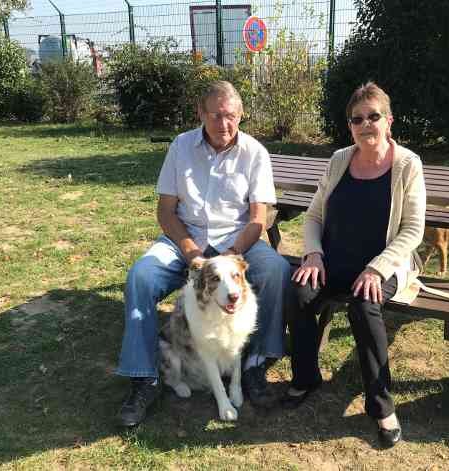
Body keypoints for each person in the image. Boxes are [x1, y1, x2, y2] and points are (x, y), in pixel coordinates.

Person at [116, 81, 291, 427]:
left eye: (230, 116)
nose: (223, 124)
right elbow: (166, 211)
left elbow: (258, 218)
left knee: (276, 270)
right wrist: (191, 251)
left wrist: (233, 253)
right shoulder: (180, 147)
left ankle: (255, 365)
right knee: (141, 276)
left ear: (240, 115)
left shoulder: (254, 152)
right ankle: (144, 378)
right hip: (185, 239)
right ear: (200, 113)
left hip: (237, 241)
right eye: (215, 116)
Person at [280, 82, 426, 448]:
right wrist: (312, 253)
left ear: (388, 120)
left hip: (384, 265)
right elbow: (313, 217)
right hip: (333, 259)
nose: (366, 124)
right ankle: (306, 377)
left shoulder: (407, 164)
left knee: (364, 304)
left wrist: (377, 268)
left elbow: (413, 230)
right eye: (357, 119)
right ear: (350, 126)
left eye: (373, 116)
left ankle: (381, 407)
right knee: (299, 291)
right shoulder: (339, 160)